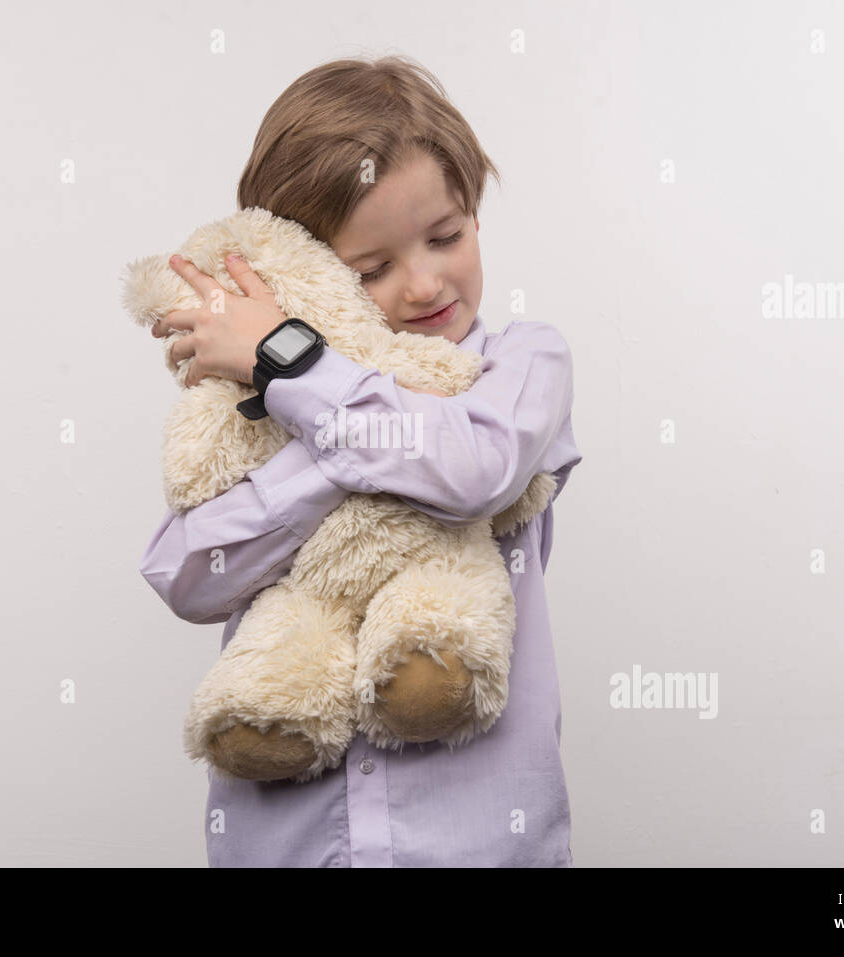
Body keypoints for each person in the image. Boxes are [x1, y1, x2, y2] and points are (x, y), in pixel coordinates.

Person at [139, 54, 582, 867]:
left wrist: (294, 371)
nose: (423, 282)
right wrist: (310, 421)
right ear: (301, 273)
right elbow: (185, 574)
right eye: (370, 269)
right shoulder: (259, 405)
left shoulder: (521, 367)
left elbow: (473, 468)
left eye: (446, 235)